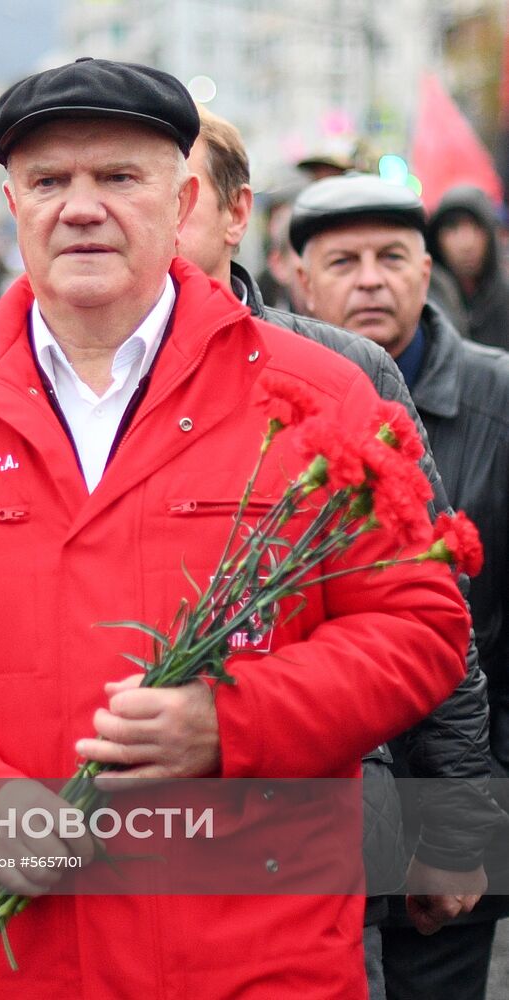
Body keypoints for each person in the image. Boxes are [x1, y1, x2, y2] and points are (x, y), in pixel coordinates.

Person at [0, 57, 470, 998]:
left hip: (258, 958)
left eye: (118, 177)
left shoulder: (318, 397)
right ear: (12, 203)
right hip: (12, 961)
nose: (81, 207)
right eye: (50, 182)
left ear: (184, 198)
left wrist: (232, 724)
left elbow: (420, 630)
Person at [180, 110, 505, 999]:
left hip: (318, 823)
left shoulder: (336, 370)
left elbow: (431, 614)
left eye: (173, 189)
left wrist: (454, 824)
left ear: (235, 213)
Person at [292, 172, 509, 1000]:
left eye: (392, 256)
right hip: (338, 802)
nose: (370, 279)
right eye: (343, 261)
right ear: (299, 280)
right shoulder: (279, 401)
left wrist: (471, 809)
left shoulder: (497, 398)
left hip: (468, 782)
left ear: (429, 271)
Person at [427, 185, 509, 352]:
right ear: (437, 238)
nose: (466, 243)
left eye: (477, 228)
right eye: (453, 228)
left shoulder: (504, 299)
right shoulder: (425, 304)